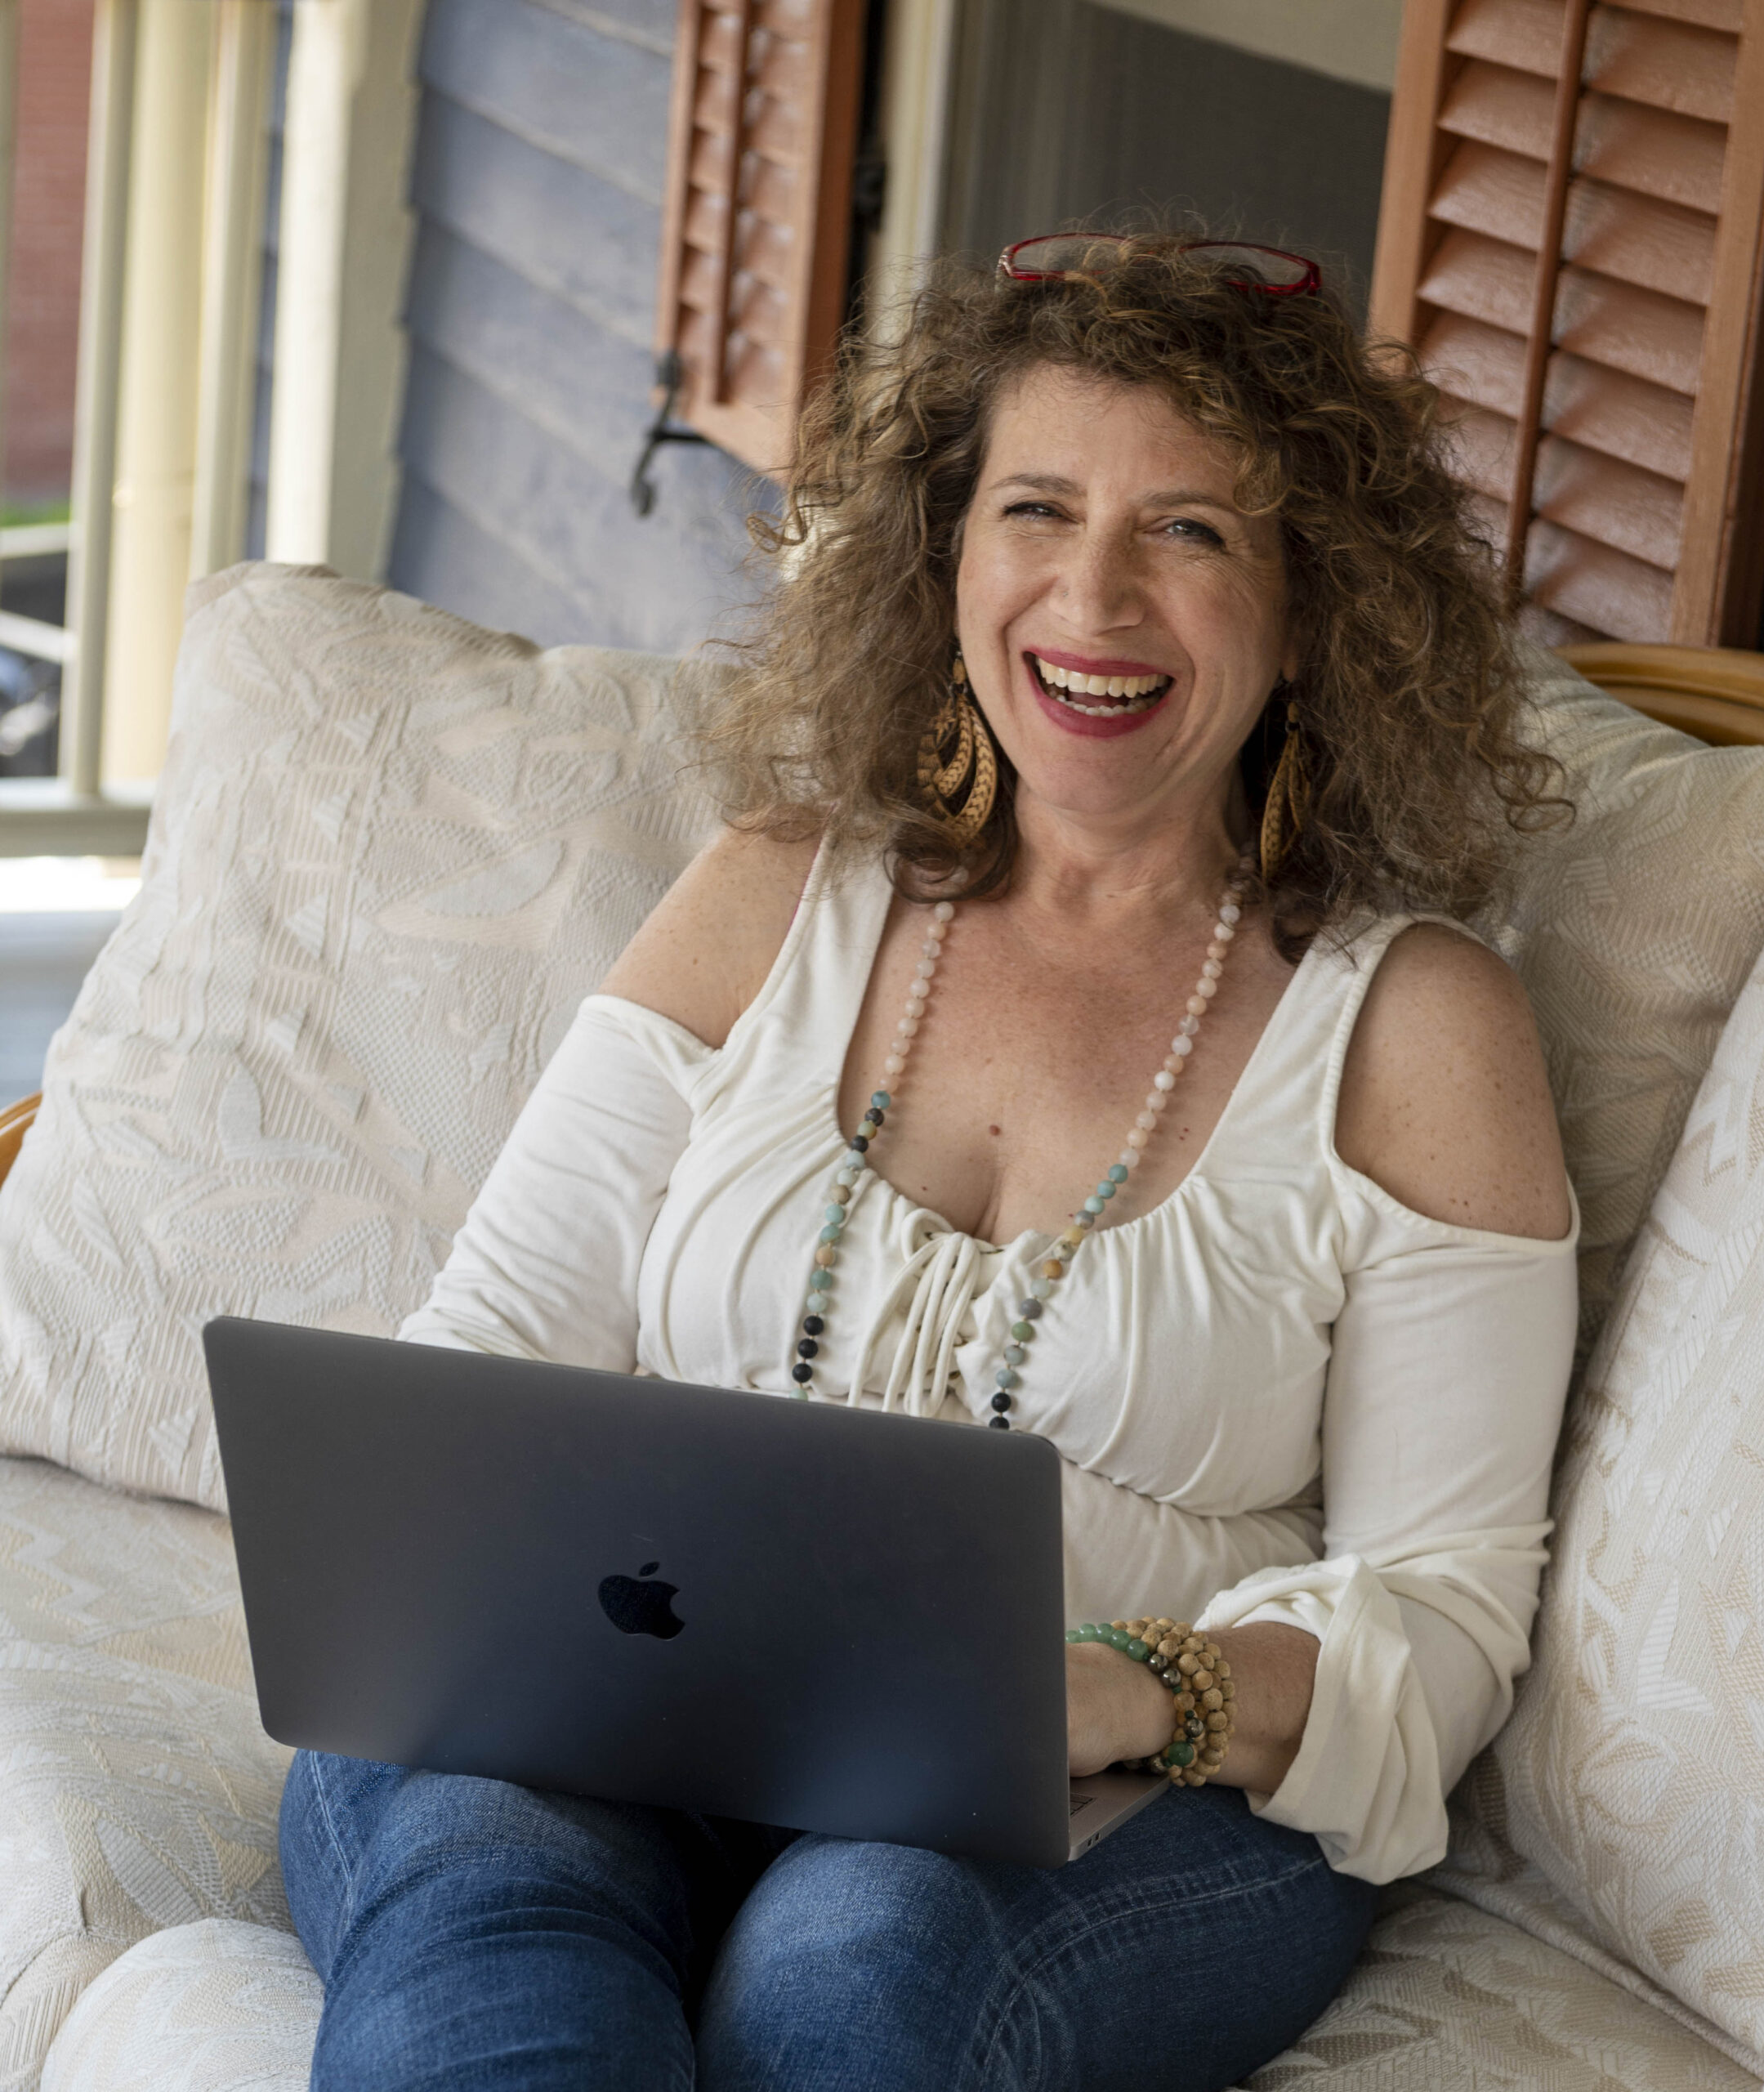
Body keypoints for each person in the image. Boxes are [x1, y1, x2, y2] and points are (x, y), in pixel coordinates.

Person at [279, 230, 1579, 2091]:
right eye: (1034, 507)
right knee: (487, 1874)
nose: (1096, 593)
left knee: (856, 1957)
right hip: (632, 1705)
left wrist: (1144, 1685)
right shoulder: (767, 901)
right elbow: (494, 1338)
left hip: (1117, 1791)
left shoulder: (1416, 1026)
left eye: (1194, 530)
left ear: (1316, 606)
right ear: (946, 556)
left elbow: (1442, 1612)